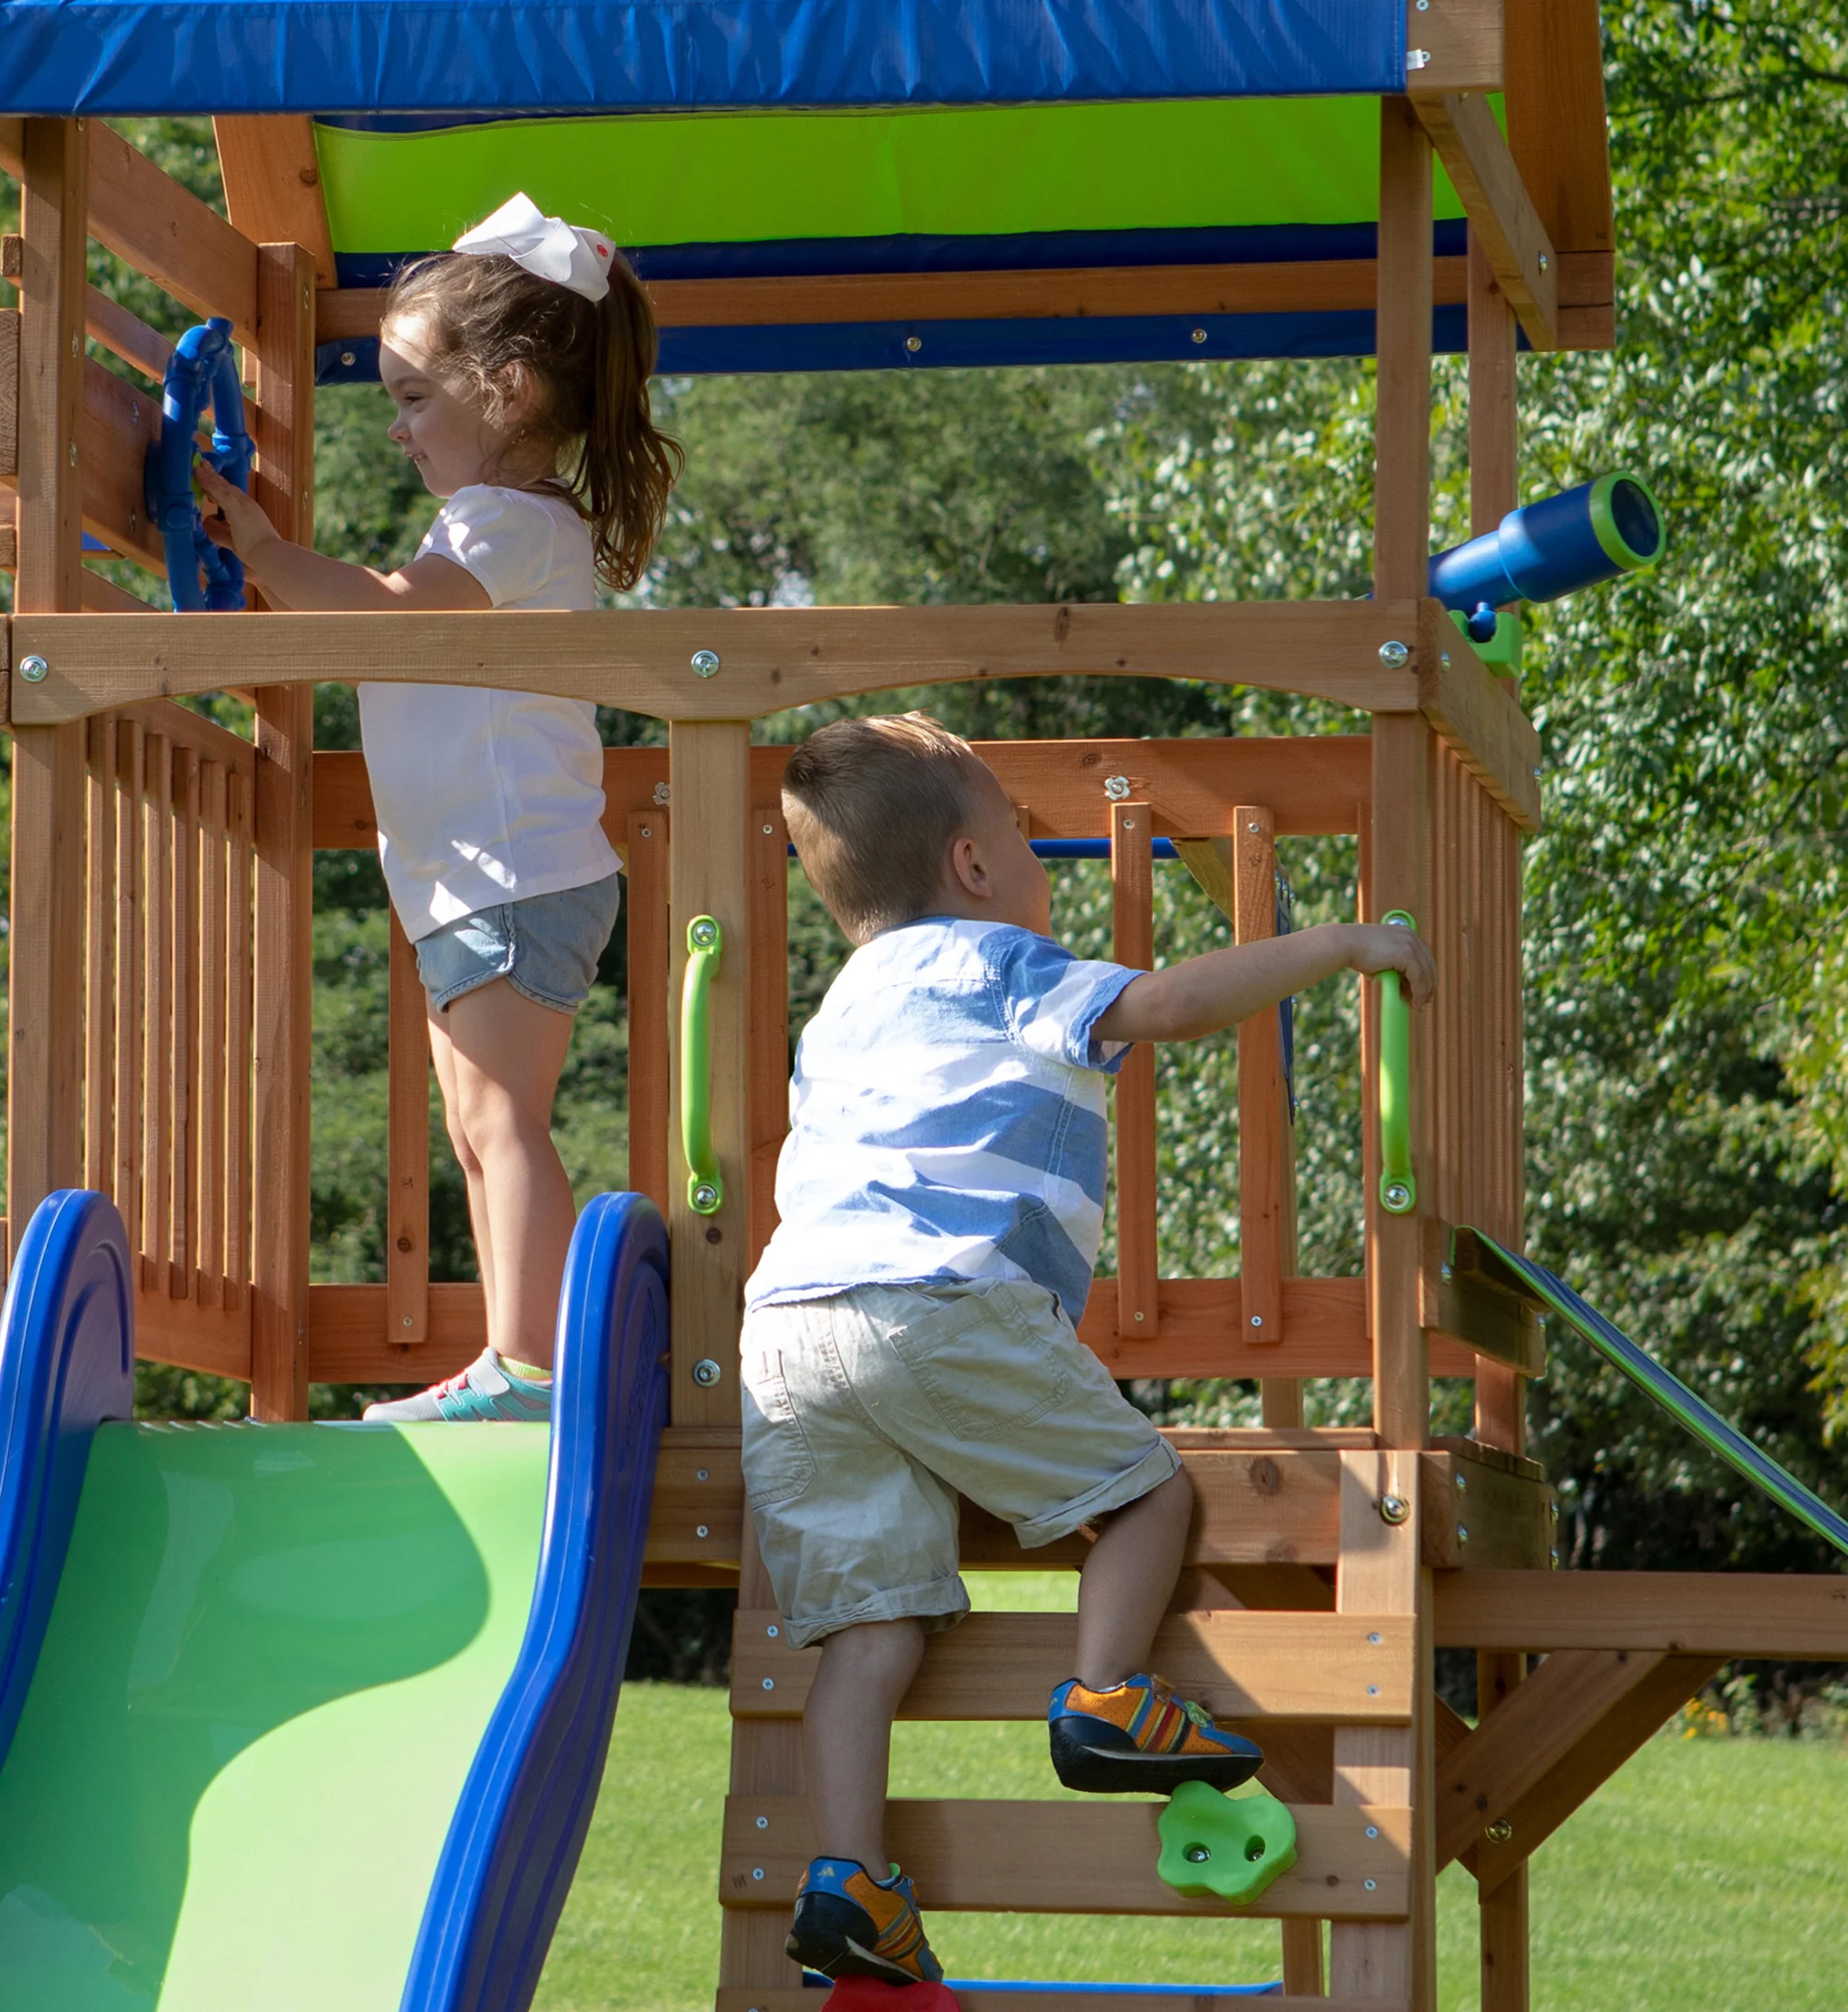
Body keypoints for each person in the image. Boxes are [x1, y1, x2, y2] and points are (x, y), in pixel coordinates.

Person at [742, 712, 1437, 1987]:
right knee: (1145, 1493)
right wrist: (1343, 944)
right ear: (969, 864)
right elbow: (1163, 1003)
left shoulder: (839, 1010)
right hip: (936, 1303)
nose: (1037, 859)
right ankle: (1108, 1693)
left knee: (867, 1629)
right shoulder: (1001, 960)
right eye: (1020, 833)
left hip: (787, 1334)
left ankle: (851, 1882)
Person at [197, 193, 679, 1424]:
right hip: (481, 880)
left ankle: (536, 1366)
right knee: (479, 1126)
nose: (400, 430)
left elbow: (380, 608)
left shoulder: (505, 526)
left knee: (501, 1121)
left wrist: (256, 545)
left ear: (507, 392)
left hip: (512, 875)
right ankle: (514, 1355)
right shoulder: (504, 525)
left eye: (416, 398)